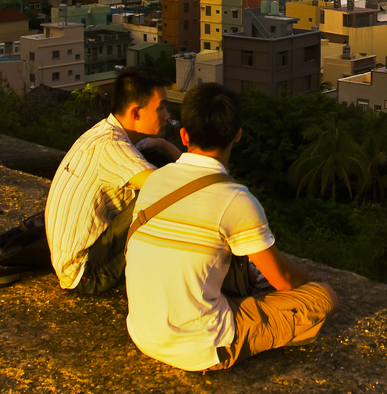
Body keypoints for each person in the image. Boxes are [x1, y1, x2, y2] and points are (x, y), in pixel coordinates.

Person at [125, 83, 338, 371]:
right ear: (237, 135)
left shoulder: (153, 181)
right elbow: (284, 280)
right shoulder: (235, 199)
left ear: (184, 135)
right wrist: (309, 282)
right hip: (201, 347)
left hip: (142, 332)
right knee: (323, 296)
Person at [45, 67, 180, 295]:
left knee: (157, 159)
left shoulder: (108, 130)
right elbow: (171, 189)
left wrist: (166, 145)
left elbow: (153, 146)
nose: (168, 115)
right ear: (136, 113)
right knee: (163, 197)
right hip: (87, 273)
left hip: (81, 257)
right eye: (161, 108)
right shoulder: (112, 147)